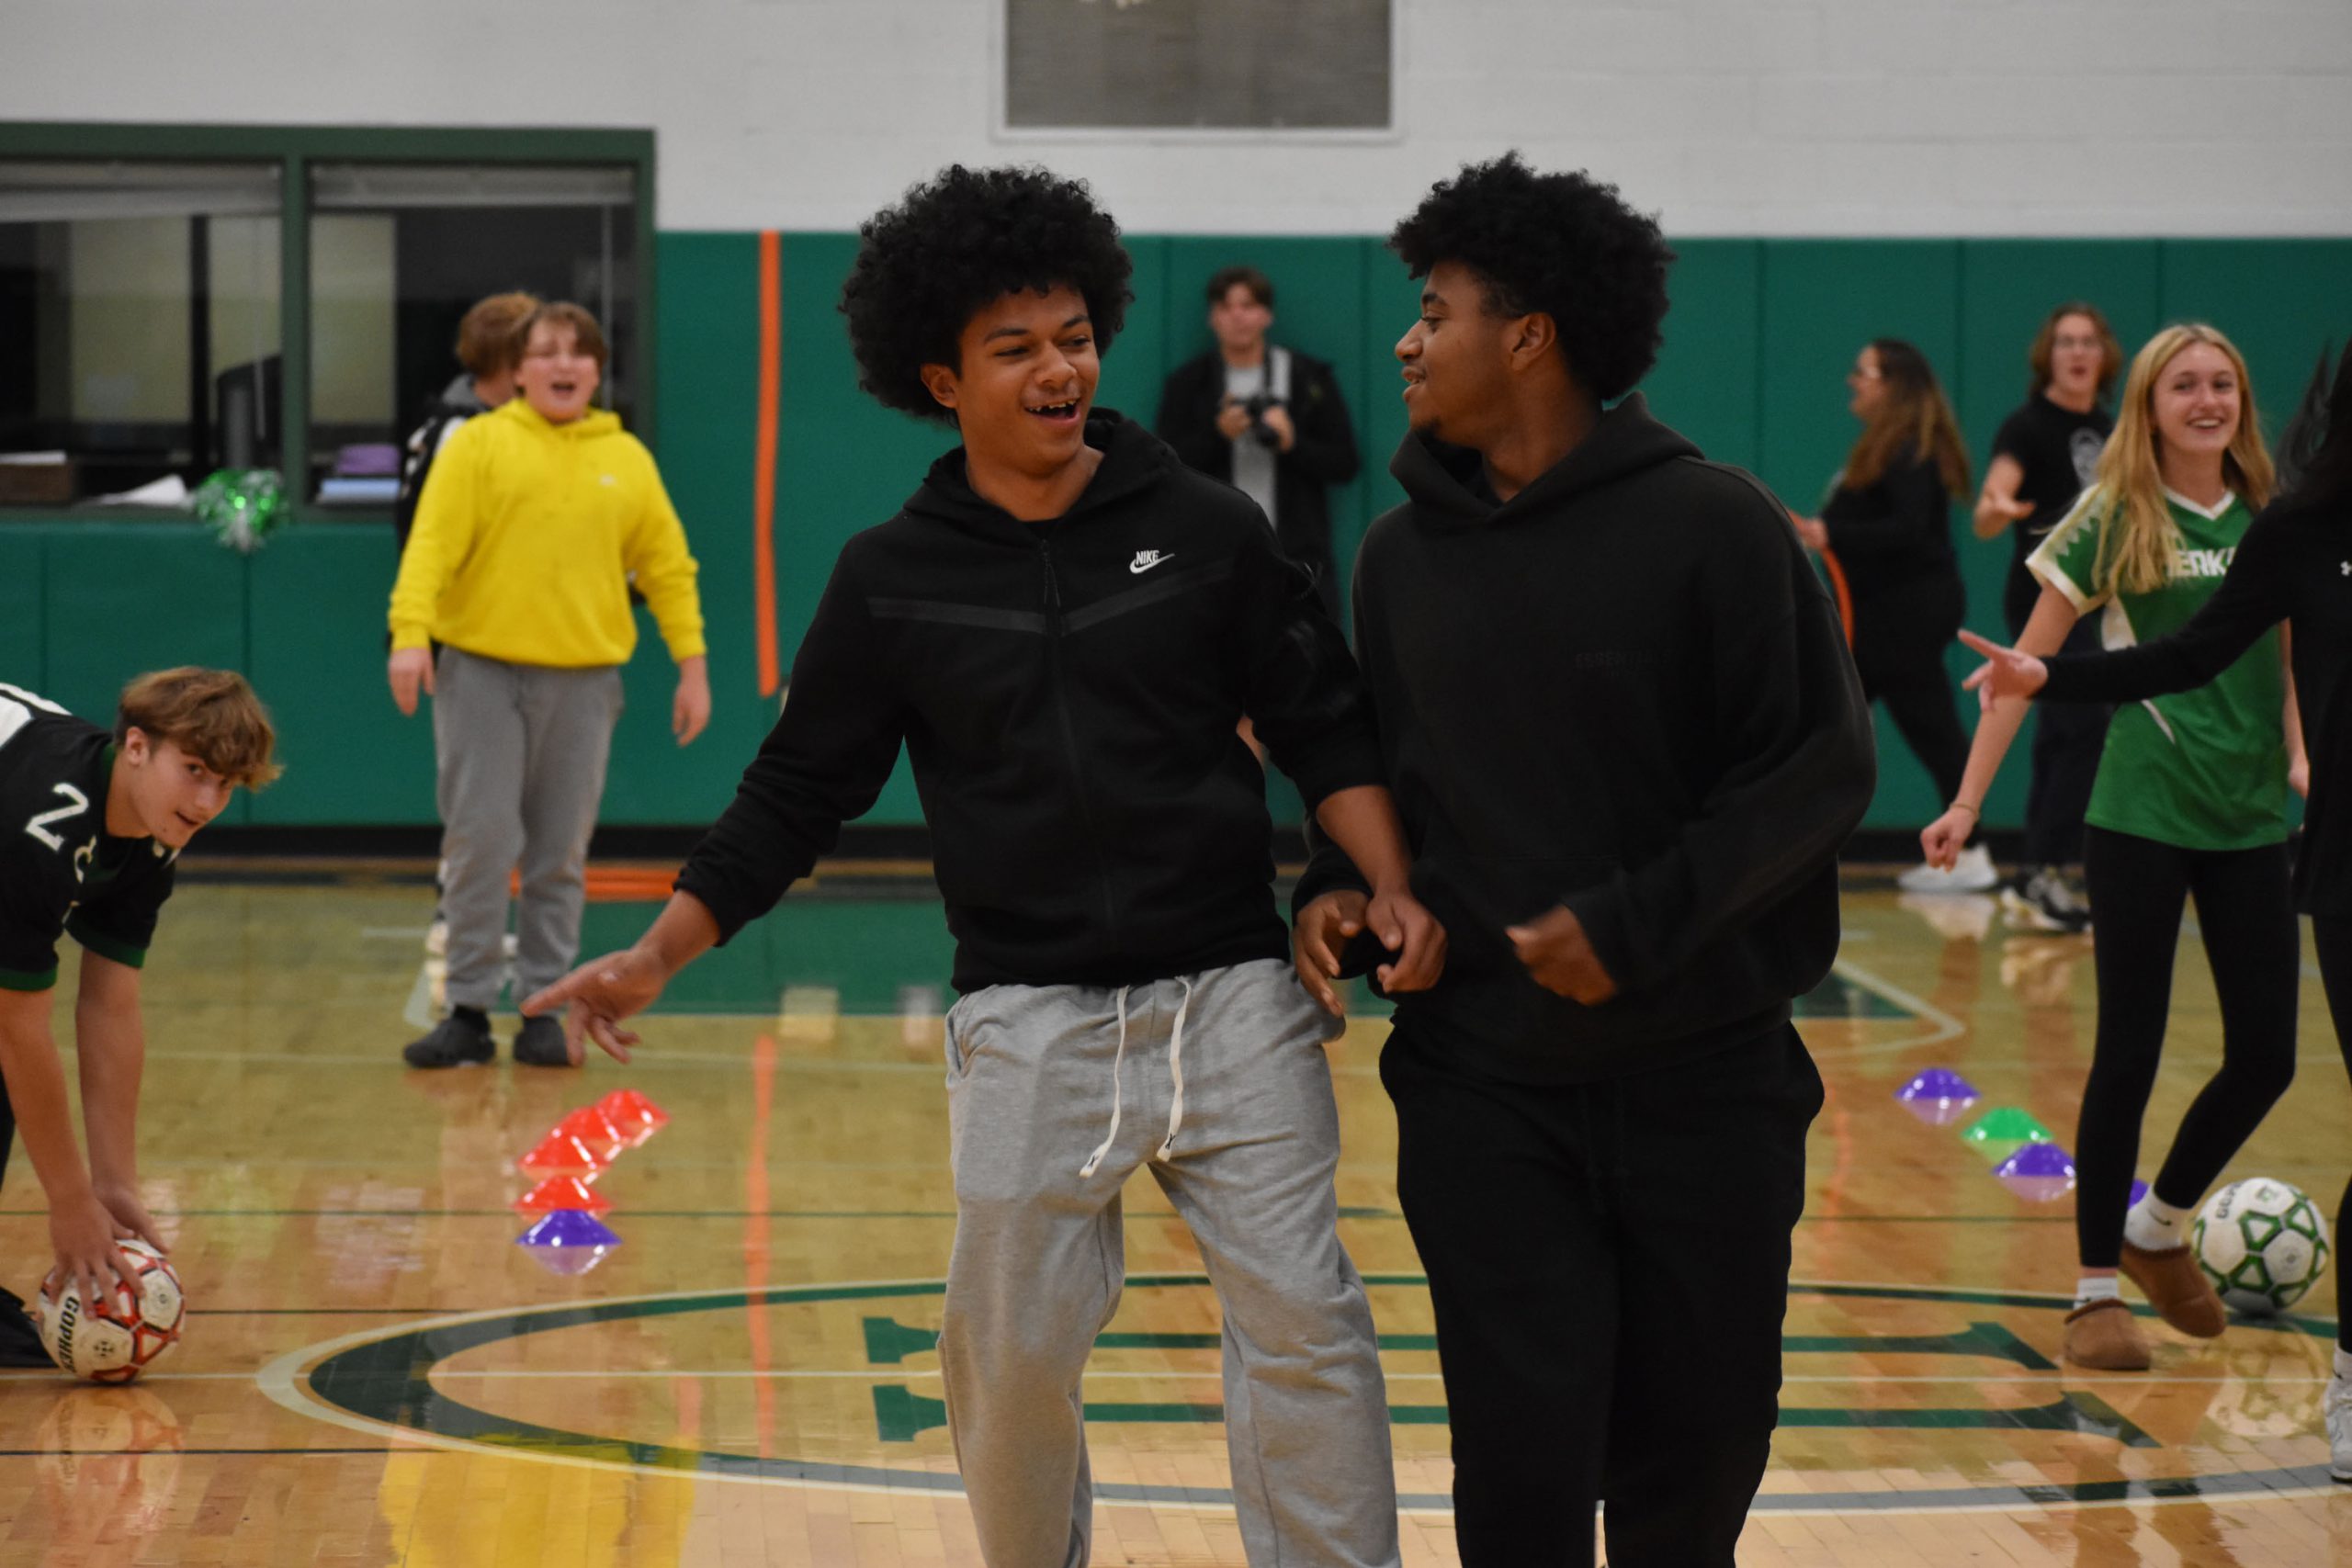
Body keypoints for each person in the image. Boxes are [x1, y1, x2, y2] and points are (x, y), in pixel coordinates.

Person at [526, 164, 1439, 1568]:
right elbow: (797, 789)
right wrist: (659, 950)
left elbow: (1322, 718)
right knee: (1006, 1354)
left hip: (1231, 995)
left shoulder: (1206, 528)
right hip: (1028, 1012)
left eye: (1073, 336)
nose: (1058, 368)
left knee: (1307, 1320)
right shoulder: (892, 573)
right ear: (943, 379)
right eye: (1016, 348)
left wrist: (1388, 880)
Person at [1292, 152, 1875, 1566]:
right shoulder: (1396, 559)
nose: (1406, 342)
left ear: (1530, 335)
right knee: (1520, 1472)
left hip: (1708, 1087)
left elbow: (1817, 769)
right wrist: (1340, 893)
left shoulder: (1717, 525)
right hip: (1485, 1093)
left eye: (1436, 312)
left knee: (1696, 1469)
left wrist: (1634, 921)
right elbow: (1386, 786)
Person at [1956, 342, 2352, 1480]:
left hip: (2247, 815)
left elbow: (2298, 655)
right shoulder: (2112, 514)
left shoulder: (2278, 513)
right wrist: (1967, 801)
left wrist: (2304, 760)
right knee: (2126, 1047)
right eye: (2184, 383)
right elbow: (2026, 664)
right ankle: (2094, 1291)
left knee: (2266, 1057)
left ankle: (2160, 1225)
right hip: (2137, 808)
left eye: (2223, 383)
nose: (2207, 399)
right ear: (2148, 405)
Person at [387, 301, 711, 1070]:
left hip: (585, 680)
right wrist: (409, 635)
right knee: (479, 840)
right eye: (546, 352)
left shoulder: (627, 458)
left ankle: (540, 1003)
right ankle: (467, 1009)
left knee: (559, 852)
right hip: (480, 673)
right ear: (518, 370)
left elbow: (667, 566)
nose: (563, 364)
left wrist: (692, 664)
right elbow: (430, 544)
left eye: (578, 352)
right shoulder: (478, 445)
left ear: (597, 372)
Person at [0, 670, 278, 1362]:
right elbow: (17, 1029)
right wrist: (69, 1201)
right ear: (134, 747)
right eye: (194, 770)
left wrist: (113, 1183)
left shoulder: (152, 835)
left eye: (225, 784)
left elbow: (110, 1003)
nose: (207, 802)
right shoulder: (41, 825)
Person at [1792, 340, 1986, 894]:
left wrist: (1832, 532)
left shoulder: (1910, 451)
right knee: (1834, 727)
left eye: (1864, 372)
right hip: (1883, 620)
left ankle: (1967, 850)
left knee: (1924, 728)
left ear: (1893, 385)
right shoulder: (1886, 448)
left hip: (1903, 622)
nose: (1853, 380)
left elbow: (1908, 529)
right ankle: (1802, 847)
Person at [1972, 303, 2123, 931]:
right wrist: (1997, 508)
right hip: (2042, 596)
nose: (2077, 352)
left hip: (2098, 598)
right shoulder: (2027, 426)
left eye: (2088, 341)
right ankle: (2046, 869)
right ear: (2048, 354)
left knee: (2062, 732)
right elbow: (1988, 508)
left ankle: (2033, 872)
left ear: (2103, 355)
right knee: (2085, 725)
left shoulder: (2113, 429)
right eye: (2065, 341)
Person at [1156, 265, 1361, 622]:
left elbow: (1345, 463)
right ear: (1212, 318)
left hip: (1296, 555)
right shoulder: (1189, 384)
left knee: (1310, 651)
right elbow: (1164, 469)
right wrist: (1218, 435)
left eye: (1248, 305)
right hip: (1214, 554)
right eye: (1226, 306)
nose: (1237, 316)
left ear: (1267, 314)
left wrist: (1293, 444)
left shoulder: (1306, 378)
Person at [392, 290, 539, 566]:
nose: (554, 366)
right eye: (540, 355)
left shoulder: (549, 427)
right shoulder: (449, 435)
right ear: (508, 362)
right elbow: (421, 539)